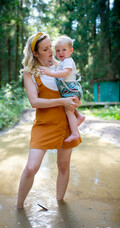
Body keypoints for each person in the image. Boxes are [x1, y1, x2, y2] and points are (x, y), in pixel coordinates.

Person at [17, 32, 81, 209]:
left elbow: (73, 89)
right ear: (36, 54)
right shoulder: (30, 73)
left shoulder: (62, 65)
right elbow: (34, 102)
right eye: (45, 49)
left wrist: (76, 101)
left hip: (65, 124)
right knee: (31, 167)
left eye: (50, 47)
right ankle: (19, 207)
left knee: (62, 165)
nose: (51, 52)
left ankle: (60, 205)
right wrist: (61, 101)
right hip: (43, 124)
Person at [40, 35, 85, 142]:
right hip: (67, 90)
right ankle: (79, 116)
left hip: (71, 89)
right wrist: (52, 60)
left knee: (69, 111)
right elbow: (58, 65)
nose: (61, 53)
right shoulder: (63, 62)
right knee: (69, 108)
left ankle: (75, 133)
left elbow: (64, 73)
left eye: (64, 50)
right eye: (58, 50)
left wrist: (49, 73)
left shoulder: (68, 61)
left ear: (71, 50)